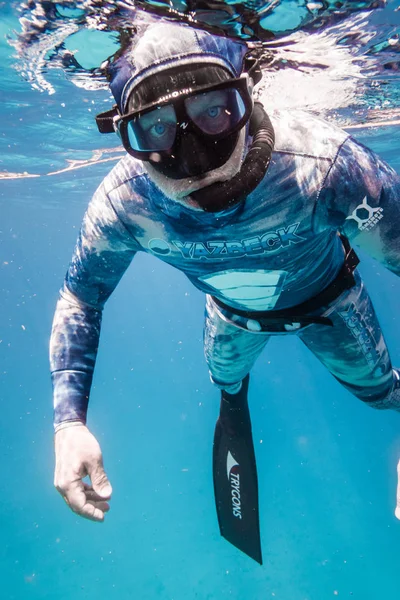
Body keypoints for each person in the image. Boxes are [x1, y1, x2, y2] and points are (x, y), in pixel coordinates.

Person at [51, 21, 400, 562]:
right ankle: (232, 395)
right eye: (157, 129)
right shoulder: (126, 205)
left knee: (384, 397)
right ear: (126, 133)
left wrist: (69, 417)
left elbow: (81, 298)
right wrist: (68, 423)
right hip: (235, 316)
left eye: (215, 111)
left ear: (247, 94)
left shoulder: (327, 169)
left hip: (328, 302)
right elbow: (81, 297)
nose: (193, 158)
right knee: (226, 379)